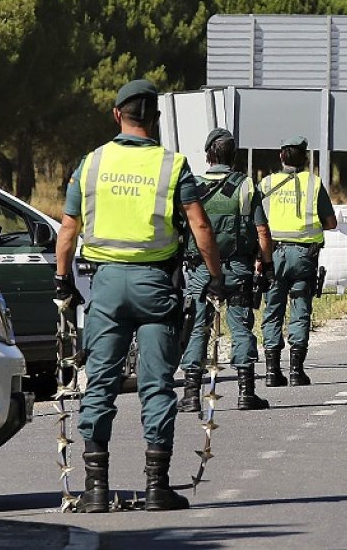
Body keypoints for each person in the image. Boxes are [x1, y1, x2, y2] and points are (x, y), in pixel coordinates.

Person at [54, 79, 226, 514]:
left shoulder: (90, 163)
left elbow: (68, 229)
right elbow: (200, 226)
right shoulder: (173, 165)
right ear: (156, 119)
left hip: (106, 285)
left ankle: (95, 490)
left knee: (101, 384)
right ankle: (156, 487)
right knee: (156, 386)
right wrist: (216, 277)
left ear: (117, 115)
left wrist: (62, 280)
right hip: (155, 286)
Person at [178, 128, 272, 412]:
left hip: (200, 271)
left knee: (197, 328)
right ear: (234, 155)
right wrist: (266, 265)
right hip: (237, 269)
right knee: (240, 326)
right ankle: (246, 393)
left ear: (208, 154)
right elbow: (263, 232)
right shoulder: (245, 186)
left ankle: (192, 396)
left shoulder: (191, 185)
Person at [258, 136, 337, 387]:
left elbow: (257, 223)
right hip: (304, 257)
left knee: (273, 310)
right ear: (304, 159)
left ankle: (271, 372)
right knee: (300, 309)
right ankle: (296, 371)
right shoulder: (314, 183)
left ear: (281, 156)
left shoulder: (266, 183)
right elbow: (331, 223)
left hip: (274, 255)